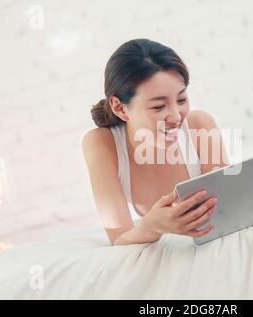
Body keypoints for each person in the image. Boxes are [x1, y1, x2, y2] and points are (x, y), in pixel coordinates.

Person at [82, 39, 227, 245]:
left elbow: (229, 211)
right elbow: (119, 239)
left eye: (181, 100)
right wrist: (151, 227)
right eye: (159, 107)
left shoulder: (200, 125)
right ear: (120, 108)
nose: (176, 116)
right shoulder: (101, 143)